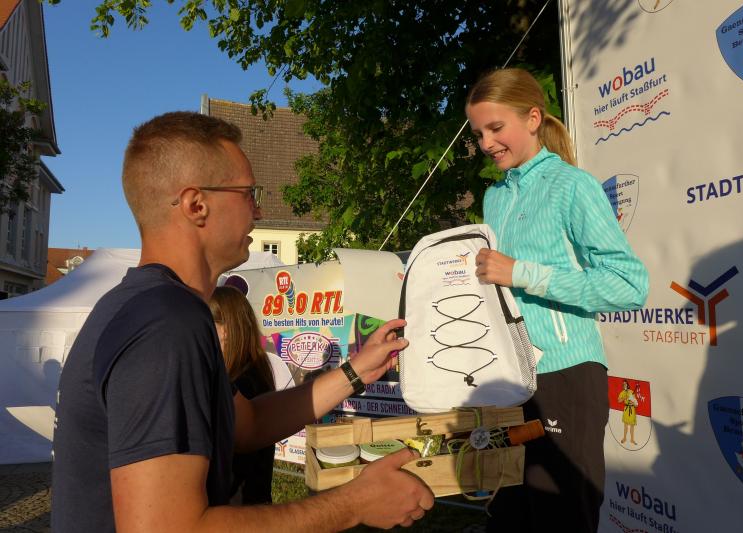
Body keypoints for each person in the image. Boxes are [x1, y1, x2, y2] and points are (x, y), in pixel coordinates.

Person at [51, 111, 434, 532]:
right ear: (196, 205)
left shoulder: (137, 307)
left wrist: (356, 371)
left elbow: (248, 425)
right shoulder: (166, 324)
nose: (259, 209)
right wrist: (354, 504)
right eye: (249, 193)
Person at [465, 68, 648, 532]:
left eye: (495, 128)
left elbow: (628, 285)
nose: (486, 143)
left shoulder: (573, 186)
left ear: (532, 118)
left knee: (562, 521)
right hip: (508, 379)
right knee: (509, 519)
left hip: (566, 376)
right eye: (478, 133)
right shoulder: (494, 198)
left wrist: (521, 273)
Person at [210, 285, 276, 505]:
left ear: (226, 330)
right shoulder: (252, 370)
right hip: (251, 504)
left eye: (207, 324)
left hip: (242, 508)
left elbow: (234, 457)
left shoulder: (243, 383)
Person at [617, 379, 638, 445]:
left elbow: (636, 403)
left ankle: (632, 439)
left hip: (632, 409)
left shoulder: (631, 392)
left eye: (625, 384)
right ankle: (624, 438)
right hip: (626, 410)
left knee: (632, 426)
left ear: (627, 385)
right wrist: (624, 398)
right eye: (623, 384)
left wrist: (633, 402)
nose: (624, 385)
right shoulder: (622, 392)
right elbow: (619, 400)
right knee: (625, 425)